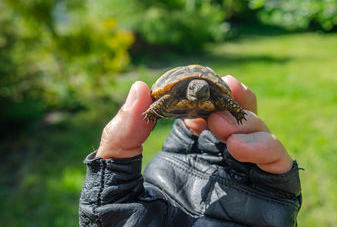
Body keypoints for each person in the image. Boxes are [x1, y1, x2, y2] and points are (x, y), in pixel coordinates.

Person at [79, 75, 302, 227]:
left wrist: (236, 111)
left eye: (205, 91)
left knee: (229, 109)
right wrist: (153, 110)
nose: (200, 94)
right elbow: (163, 97)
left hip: (214, 121)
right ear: (190, 89)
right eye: (197, 90)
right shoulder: (174, 92)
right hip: (179, 98)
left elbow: (226, 99)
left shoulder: (214, 94)